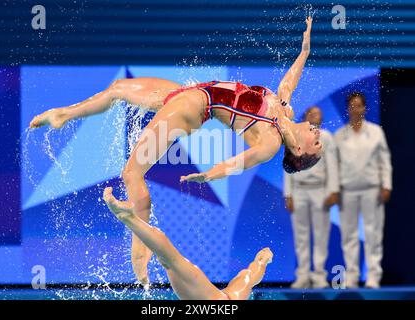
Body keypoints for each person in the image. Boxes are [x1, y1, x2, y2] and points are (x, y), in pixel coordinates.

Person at [29, 17, 321, 287]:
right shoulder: (285, 107)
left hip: (192, 108)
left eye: (316, 144)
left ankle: (140, 250)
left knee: (132, 173)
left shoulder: (270, 142)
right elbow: (289, 80)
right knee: (118, 88)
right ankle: (63, 115)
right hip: (190, 93)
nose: (318, 133)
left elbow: (237, 163)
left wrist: (209, 174)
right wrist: (305, 49)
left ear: (297, 149)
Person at [103, 187, 273, 300]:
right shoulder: (234, 294)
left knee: (169, 260)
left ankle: (129, 218)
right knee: (169, 260)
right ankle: (128, 217)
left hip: (212, 296)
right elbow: (250, 275)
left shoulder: (237, 292)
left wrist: (263, 259)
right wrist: (262, 261)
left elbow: (251, 274)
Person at [335, 92, 392, 289]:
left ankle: (373, 277)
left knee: (372, 234)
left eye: (359, 105)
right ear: (348, 109)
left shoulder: (376, 132)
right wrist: (335, 189)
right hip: (347, 191)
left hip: (372, 190)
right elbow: (334, 165)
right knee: (349, 236)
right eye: (352, 106)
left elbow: (384, 160)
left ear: (364, 108)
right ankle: (351, 277)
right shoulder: (339, 135)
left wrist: (386, 185)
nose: (355, 109)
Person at [284, 106, 339, 289]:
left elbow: (332, 165)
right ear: (306, 116)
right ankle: (302, 275)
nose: (316, 115)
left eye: (319, 113)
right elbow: (288, 166)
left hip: (320, 190)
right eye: (312, 113)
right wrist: (288, 194)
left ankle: (319, 276)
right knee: (301, 235)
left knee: (321, 234)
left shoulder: (327, 137)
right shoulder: (296, 136)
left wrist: (333, 190)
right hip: (299, 190)